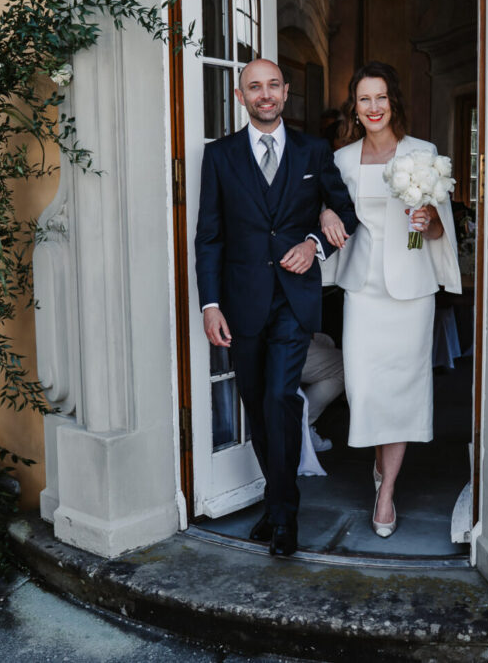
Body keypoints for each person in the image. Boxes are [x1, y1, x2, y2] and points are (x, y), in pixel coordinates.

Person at [194, 59, 358, 557]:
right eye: (253, 88)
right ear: (240, 97)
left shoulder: (313, 149)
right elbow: (210, 236)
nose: (264, 95)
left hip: (293, 300)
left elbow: (344, 212)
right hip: (241, 303)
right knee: (258, 408)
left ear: (285, 93)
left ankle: (285, 517)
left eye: (272, 86)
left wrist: (314, 242)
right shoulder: (220, 156)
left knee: (281, 400)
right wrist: (209, 303)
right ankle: (276, 498)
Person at [319, 61, 461, 537]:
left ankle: (386, 492)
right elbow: (327, 207)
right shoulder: (342, 160)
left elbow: (441, 228)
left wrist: (429, 222)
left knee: (402, 389)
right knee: (364, 387)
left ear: (391, 102)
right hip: (363, 289)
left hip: (411, 289)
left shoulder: (423, 153)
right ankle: (380, 464)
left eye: (381, 97)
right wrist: (324, 215)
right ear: (355, 108)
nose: (373, 107)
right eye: (364, 99)